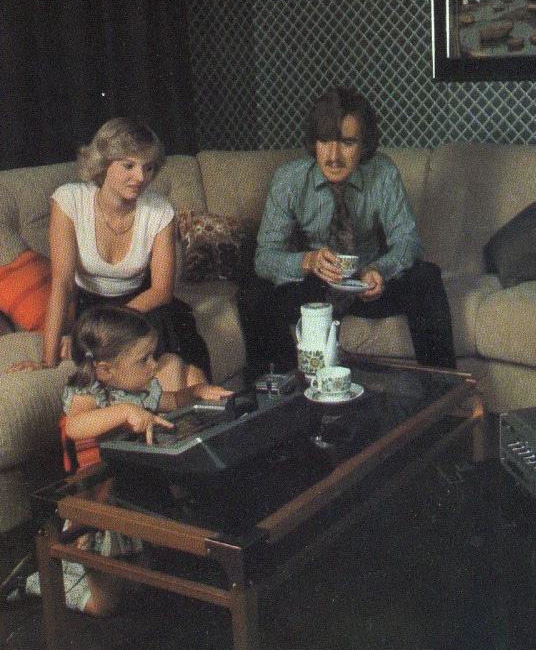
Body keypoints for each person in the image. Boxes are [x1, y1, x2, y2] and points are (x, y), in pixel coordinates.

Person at [8, 304, 231, 616]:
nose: (154, 366)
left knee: (141, 577)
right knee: (104, 604)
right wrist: (126, 413)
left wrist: (196, 392)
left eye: (153, 355)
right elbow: (76, 425)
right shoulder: (87, 391)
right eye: (144, 359)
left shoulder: (138, 386)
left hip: (129, 491)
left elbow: (168, 400)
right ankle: (39, 582)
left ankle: (90, 573)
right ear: (105, 370)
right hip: (96, 501)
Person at [248, 86, 456, 371]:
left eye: (347, 143)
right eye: (324, 142)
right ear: (314, 143)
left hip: (366, 285)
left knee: (426, 277)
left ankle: (442, 395)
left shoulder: (382, 172)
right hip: (315, 286)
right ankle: (279, 396)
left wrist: (379, 270)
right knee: (253, 294)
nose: (333, 156)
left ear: (364, 145)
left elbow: (408, 240)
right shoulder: (289, 179)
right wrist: (307, 261)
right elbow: (264, 258)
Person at [7, 117, 211, 377]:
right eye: (129, 166)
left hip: (141, 304)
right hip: (87, 307)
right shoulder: (69, 201)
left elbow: (160, 291)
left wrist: (108, 326)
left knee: (167, 335)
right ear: (104, 163)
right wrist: (47, 361)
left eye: (148, 168)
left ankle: (193, 411)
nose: (140, 177)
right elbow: (62, 285)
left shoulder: (161, 211)